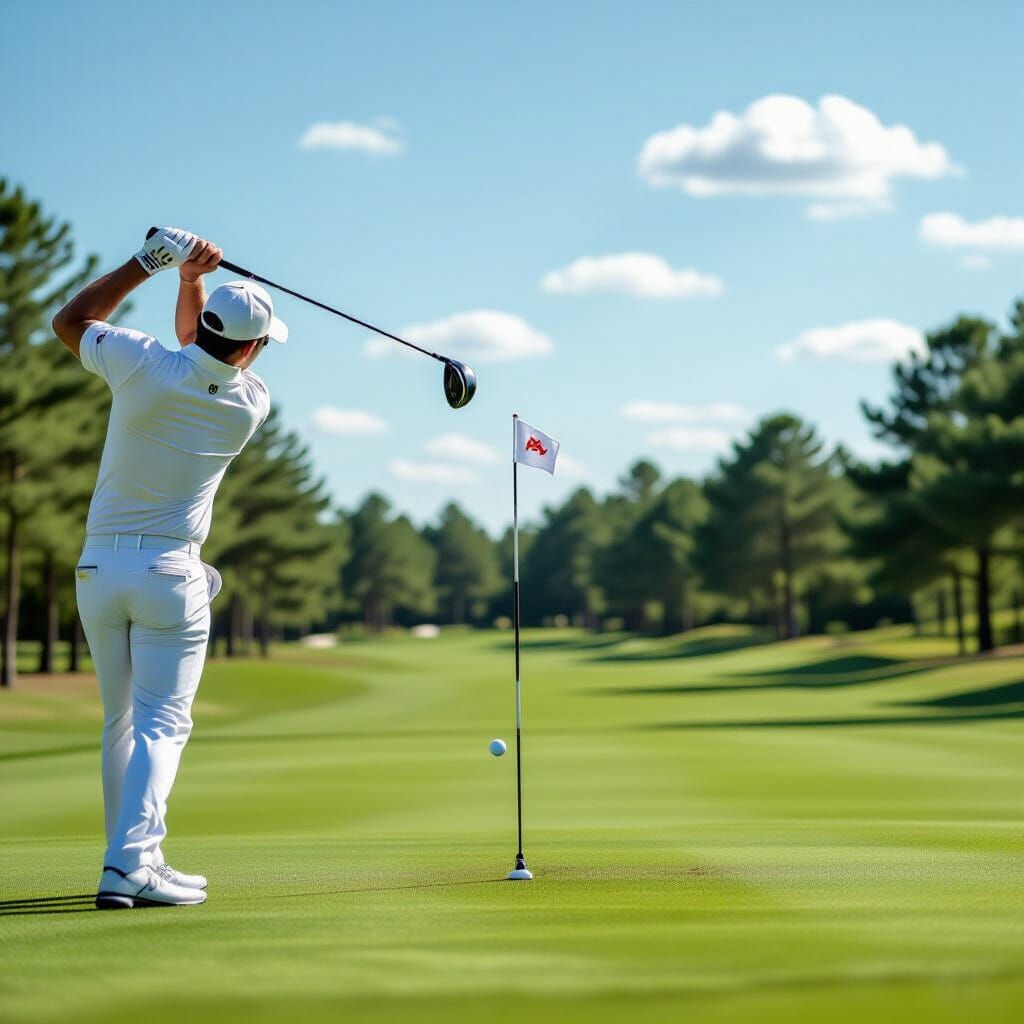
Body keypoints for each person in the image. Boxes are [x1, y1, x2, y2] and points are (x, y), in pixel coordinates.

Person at [52, 227, 288, 909]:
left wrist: (156, 264)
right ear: (249, 350)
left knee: (120, 722)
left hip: (98, 569)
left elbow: (71, 321)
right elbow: (205, 354)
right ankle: (129, 866)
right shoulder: (249, 402)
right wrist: (193, 284)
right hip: (169, 577)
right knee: (162, 723)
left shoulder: (139, 363)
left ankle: (134, 858)